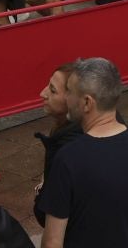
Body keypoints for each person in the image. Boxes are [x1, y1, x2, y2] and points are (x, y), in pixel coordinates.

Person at [40, 58, 128, 248]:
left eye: (69, 91)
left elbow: (52, 242)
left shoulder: (69, 158)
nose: (67, 98)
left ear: (87, 102)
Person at [33, 65, 81, 228]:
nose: (43, 93)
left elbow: (48, 219)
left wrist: (41, 193)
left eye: (53, 91)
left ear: (75, 100)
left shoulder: (67, 150)